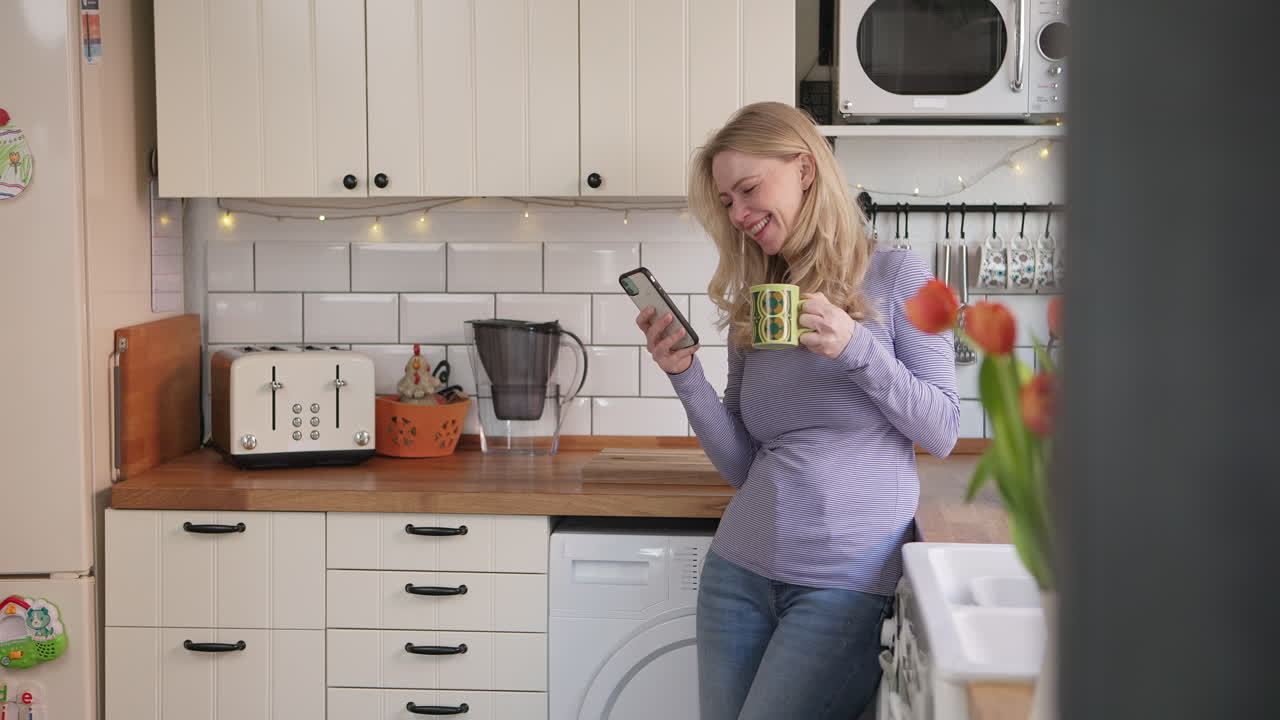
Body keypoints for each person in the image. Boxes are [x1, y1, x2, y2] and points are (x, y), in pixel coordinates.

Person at [636, 101, 959, 719]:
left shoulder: (899, 276)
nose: (739, 213)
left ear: (805, 169)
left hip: (843, 585)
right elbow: (743, 465)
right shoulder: (761, 302)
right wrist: (684, 376)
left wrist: (856, 347)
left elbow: (943, 429)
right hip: (737, 573)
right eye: (728, 201)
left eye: (749, 189)